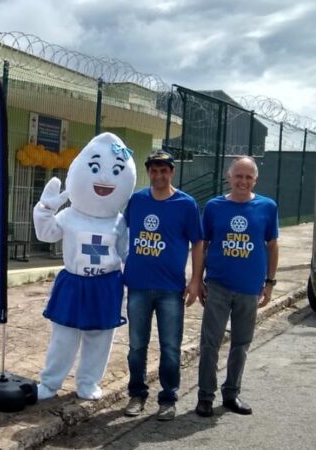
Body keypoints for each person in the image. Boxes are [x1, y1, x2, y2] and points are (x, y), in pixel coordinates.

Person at [33, 132, 136, 401]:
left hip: (107, 283)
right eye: (95, 168)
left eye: (116, 171)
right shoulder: (68, 215)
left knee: (100, 338)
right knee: (64, 337)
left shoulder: (120, 221)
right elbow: (46, 234)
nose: (104, 179)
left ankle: (89, 382)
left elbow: (127, 253)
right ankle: (50, 382)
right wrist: (45, 208)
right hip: (74, 282)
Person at [194, 156, 279, 417]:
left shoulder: (267, 207)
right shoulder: (214, 207)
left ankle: (231, 393)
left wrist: (269, 283)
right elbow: (203, 245)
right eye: (238, 176)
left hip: (249, 288)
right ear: (229, 177)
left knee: (241, 343)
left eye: (248, 177)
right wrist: (197, 280)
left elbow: (272, 246)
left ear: (255, 180)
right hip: (218, 285)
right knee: (210, 343)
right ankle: (205, 397)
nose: (243, 181)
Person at [122, 150, 203, 421]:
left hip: (170, 288)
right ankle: (137, 394)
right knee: (136, 345)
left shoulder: (186, 204)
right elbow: (121, 232)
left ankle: (168, 398)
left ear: (172, 172)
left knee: (170, 346)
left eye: (164, 170)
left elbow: (198, 242)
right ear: (148, 172)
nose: (159, 175)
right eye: (154, 170)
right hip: (138, 285)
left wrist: (195, 280)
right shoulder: (137, 200)